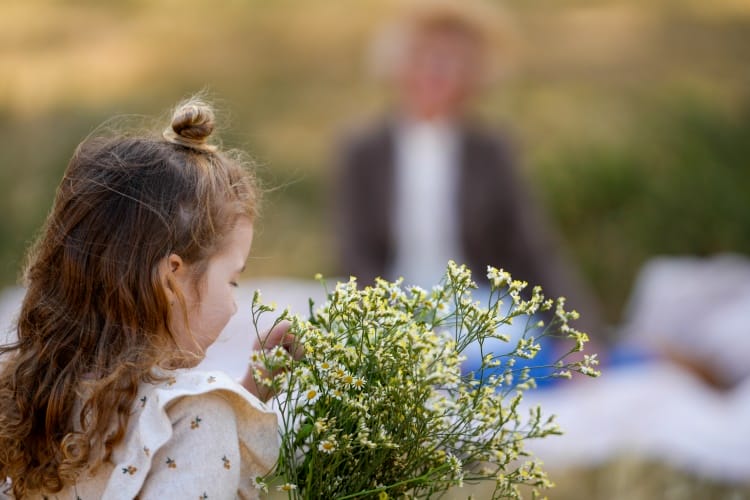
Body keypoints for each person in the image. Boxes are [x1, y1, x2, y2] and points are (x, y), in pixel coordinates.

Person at [0, 98, 294, 499]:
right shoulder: (198, 414)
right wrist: (224, 405)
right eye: (232, 282)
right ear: (171, 278)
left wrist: (249, 391)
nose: (232, 305)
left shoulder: (30, 398)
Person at [334, 1, 602, 337]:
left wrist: (578, 329)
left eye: (451, 60)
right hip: (389, 309)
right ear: (398, 63)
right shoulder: (363, 151)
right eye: (424, 55)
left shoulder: (492, 151)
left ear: (474, 74)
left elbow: (534, 249)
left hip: (476, 312)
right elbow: (354, 254)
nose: (436, 70)